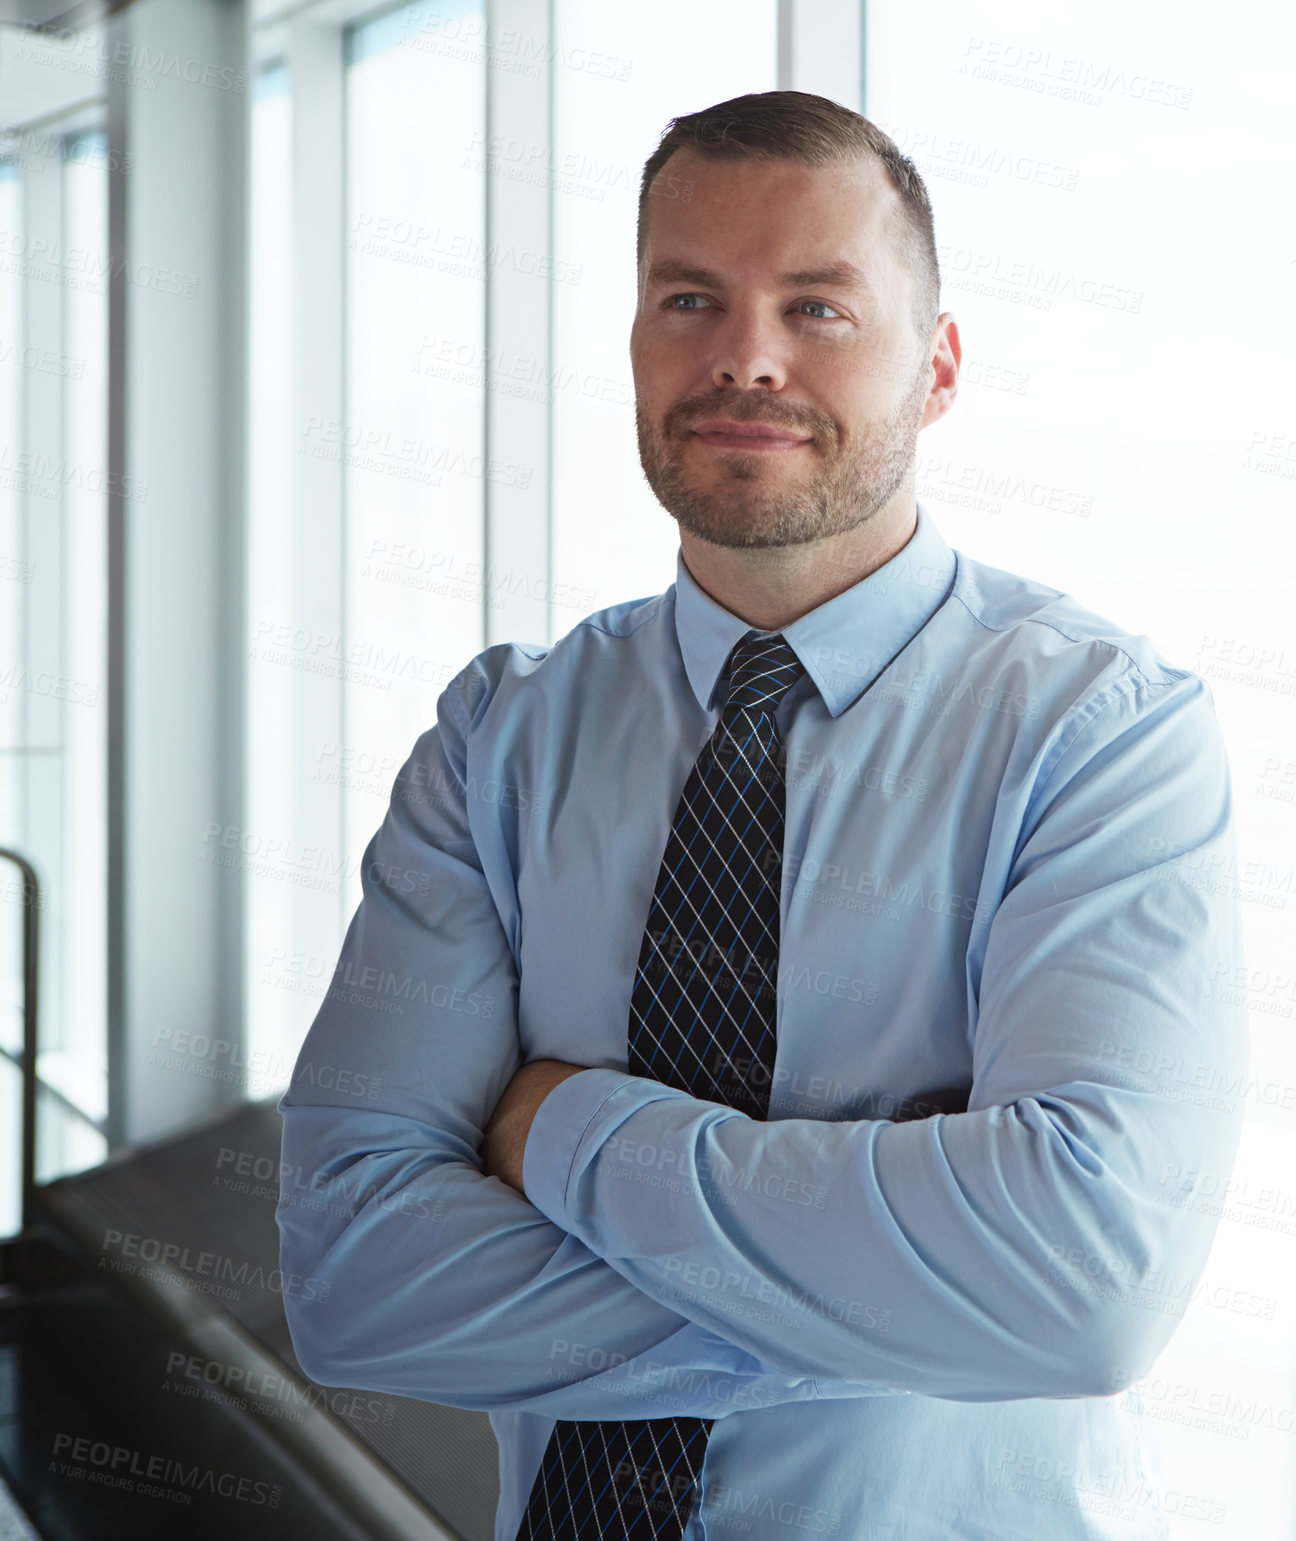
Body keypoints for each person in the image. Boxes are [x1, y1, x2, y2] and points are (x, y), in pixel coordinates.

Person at [276, 91, 1247, 1540]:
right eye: (689, 296)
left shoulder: (1101, 735)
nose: (744, 355)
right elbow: (357, 1279)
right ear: (631, 341)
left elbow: (1079, 1285)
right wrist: (900, 1301)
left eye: (818, 305)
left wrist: (562, 1132)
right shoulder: (502, 735)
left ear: (940, 367)